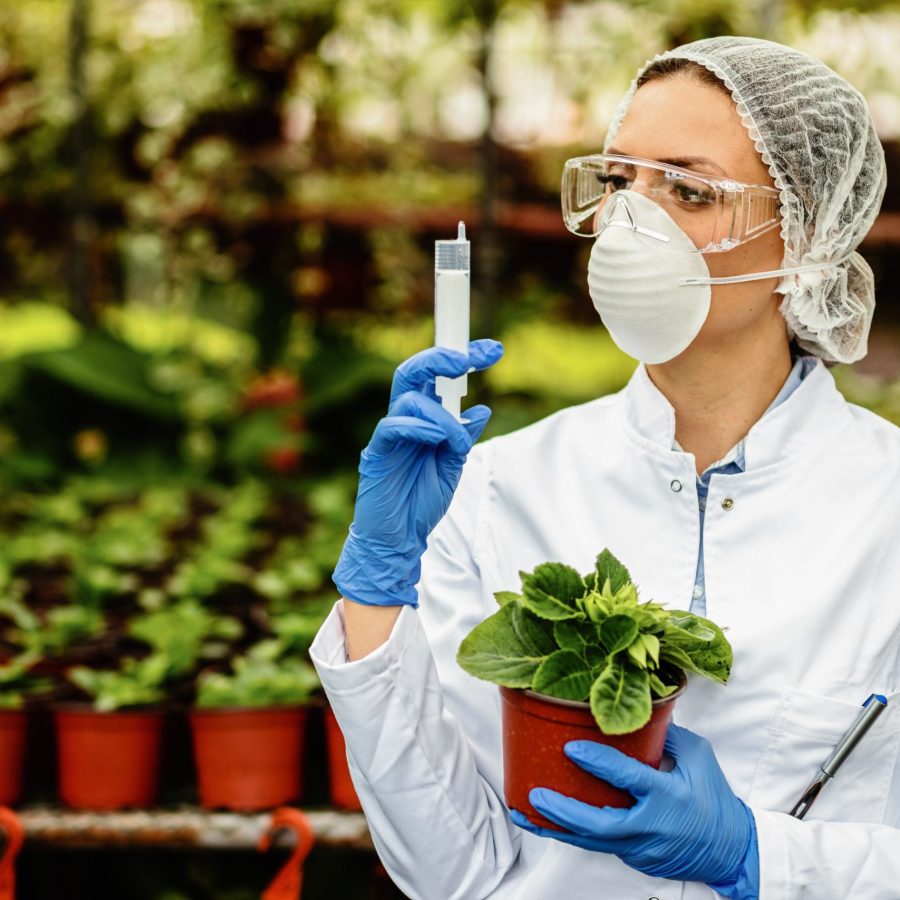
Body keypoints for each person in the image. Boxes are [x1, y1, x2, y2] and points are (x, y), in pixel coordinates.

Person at [310, 35, 900, 900]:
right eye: (621, 182)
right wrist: (375, 590)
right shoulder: (500, 487)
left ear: (808, 234)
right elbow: (450, 870)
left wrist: (756, 859)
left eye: (689, 189)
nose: (634, 222)